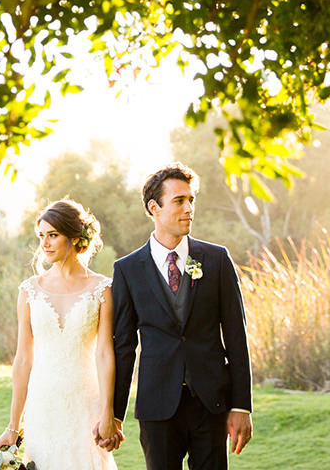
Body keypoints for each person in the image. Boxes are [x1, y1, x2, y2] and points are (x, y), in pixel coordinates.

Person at [108, 164, 254, 469]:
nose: (189, 208)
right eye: (178, 201)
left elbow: (237, 336)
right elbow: (123, 347)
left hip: (211, 402)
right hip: (157, 405)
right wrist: (115, 413)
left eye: (191, 199)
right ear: (154, 207)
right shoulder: (128, 269)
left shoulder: (216, 259)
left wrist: (241, 405)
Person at [0, 199, 120, 470]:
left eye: (53, 235)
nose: (45, 244)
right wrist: (13, 426)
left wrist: (108, 412)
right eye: (42, 236)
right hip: (43, 404)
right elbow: (23, 360)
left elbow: (105, 353)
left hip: (86, 403)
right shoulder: (29, 291)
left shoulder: (103, 289)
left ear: (75, 238)